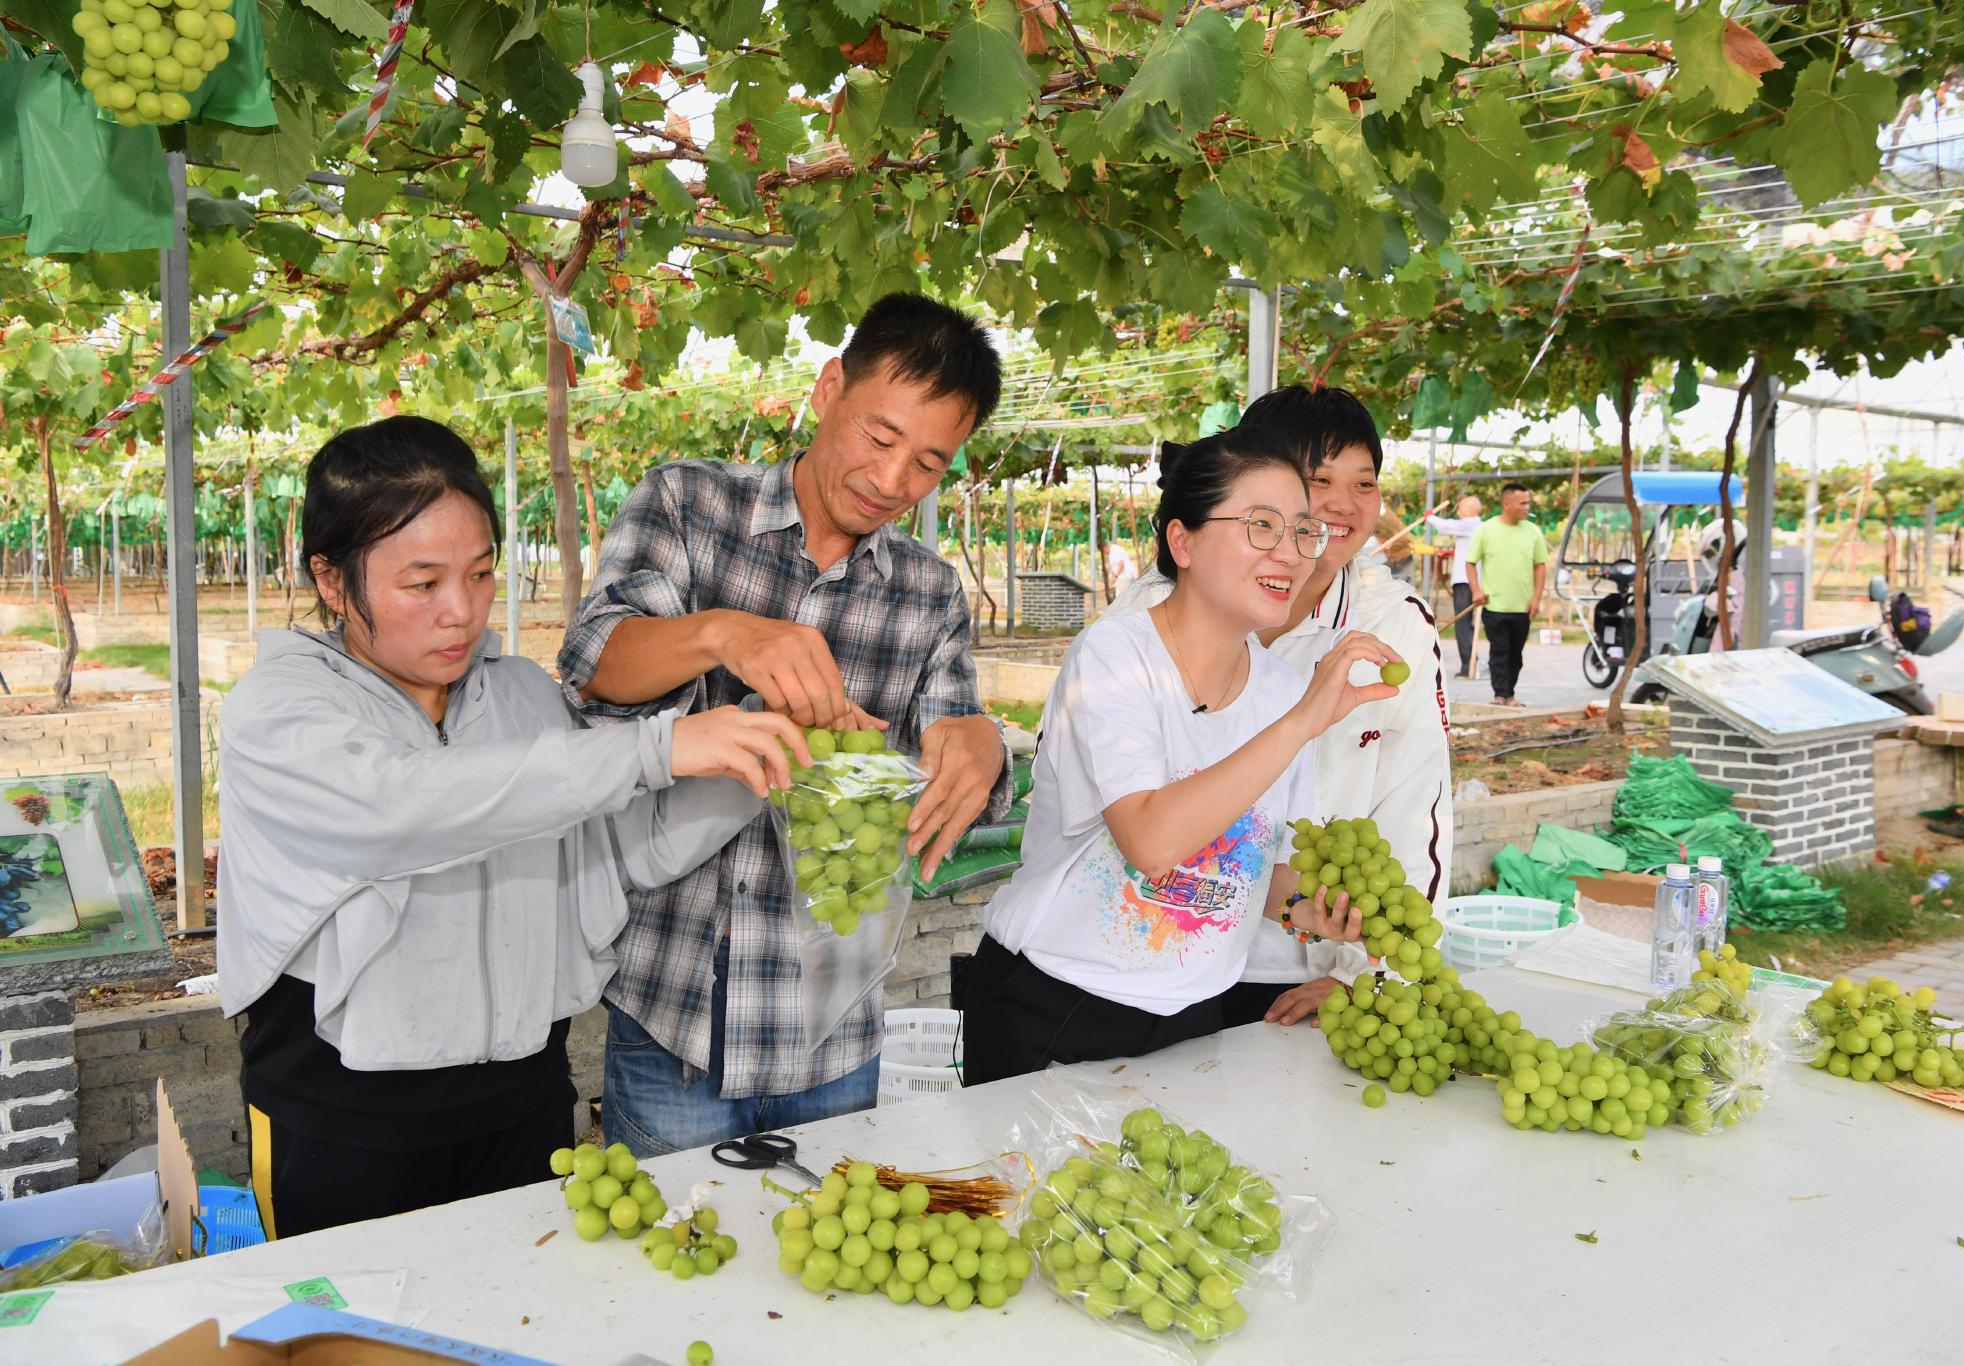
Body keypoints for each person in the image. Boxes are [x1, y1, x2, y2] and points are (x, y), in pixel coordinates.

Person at [217, 417, 809, 1239]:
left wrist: (758, 751)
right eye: (421, 585)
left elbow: (623, 848)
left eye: (482, 573)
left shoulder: (524, 696)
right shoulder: (280, 711)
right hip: (346, 1121)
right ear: (330, 577)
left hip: (521, 1106)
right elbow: (406, 809)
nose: (459, 612)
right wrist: (657, 746)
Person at [558, 294, 1013, 1154]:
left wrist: (983, 750)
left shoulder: (928, 592)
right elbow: (593, 659)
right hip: (674, 1019)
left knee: (817, 1275)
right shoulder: (690, 506)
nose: (892, 483)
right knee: (672, 1268)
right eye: (880, 439)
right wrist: (722, 632)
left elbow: (953, 773)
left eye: (928, 464)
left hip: (834, 1038)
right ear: (828, 387)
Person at [961, 427, 1399, 1086]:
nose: (1290, 554)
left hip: (1193, 1015)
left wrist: (1316, 915)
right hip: (1056, 1004)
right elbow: (1151, 837)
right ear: (1183, 541)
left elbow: (1268, 874)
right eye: (1261, 525)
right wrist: (1306, 720)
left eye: (1302, 533)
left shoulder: (1283, 690)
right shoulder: (1114, 658)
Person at [1104, 385, 1453, 1029]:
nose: (1344, 506)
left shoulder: (1392, 625)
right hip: (1145, 953)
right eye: (1319, 480)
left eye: (1365, 484)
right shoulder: (1146, 616)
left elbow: (1415, 804)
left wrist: (1373, 973)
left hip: (1294, 971)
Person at [1468, 481, 1550, 706]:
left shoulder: (1533, 532)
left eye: (1528, 502)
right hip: (1494, 605)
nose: (1527, 507)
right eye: (1522, 503)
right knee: (1500, 651)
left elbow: (1540, 566)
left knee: (1516, 655)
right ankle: (1500, 695)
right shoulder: (1486, 530)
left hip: (1522, 606)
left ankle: (1510, 694)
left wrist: (1536, 598)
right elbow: (1471, 562)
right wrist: (1476, 590)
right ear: (1507, 504)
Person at [1427, 494, 1485, 679]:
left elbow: (1444, 526)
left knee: (1462, 624)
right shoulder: (1474, 528)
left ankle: (1469, 665)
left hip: (1465, 581)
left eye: (1460, 508)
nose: (1458, 511)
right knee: (1466, 624)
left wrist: (1429, 516)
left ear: (1468, 510)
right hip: (1469, 581)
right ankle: (1471, 663)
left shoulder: (1471, 523)